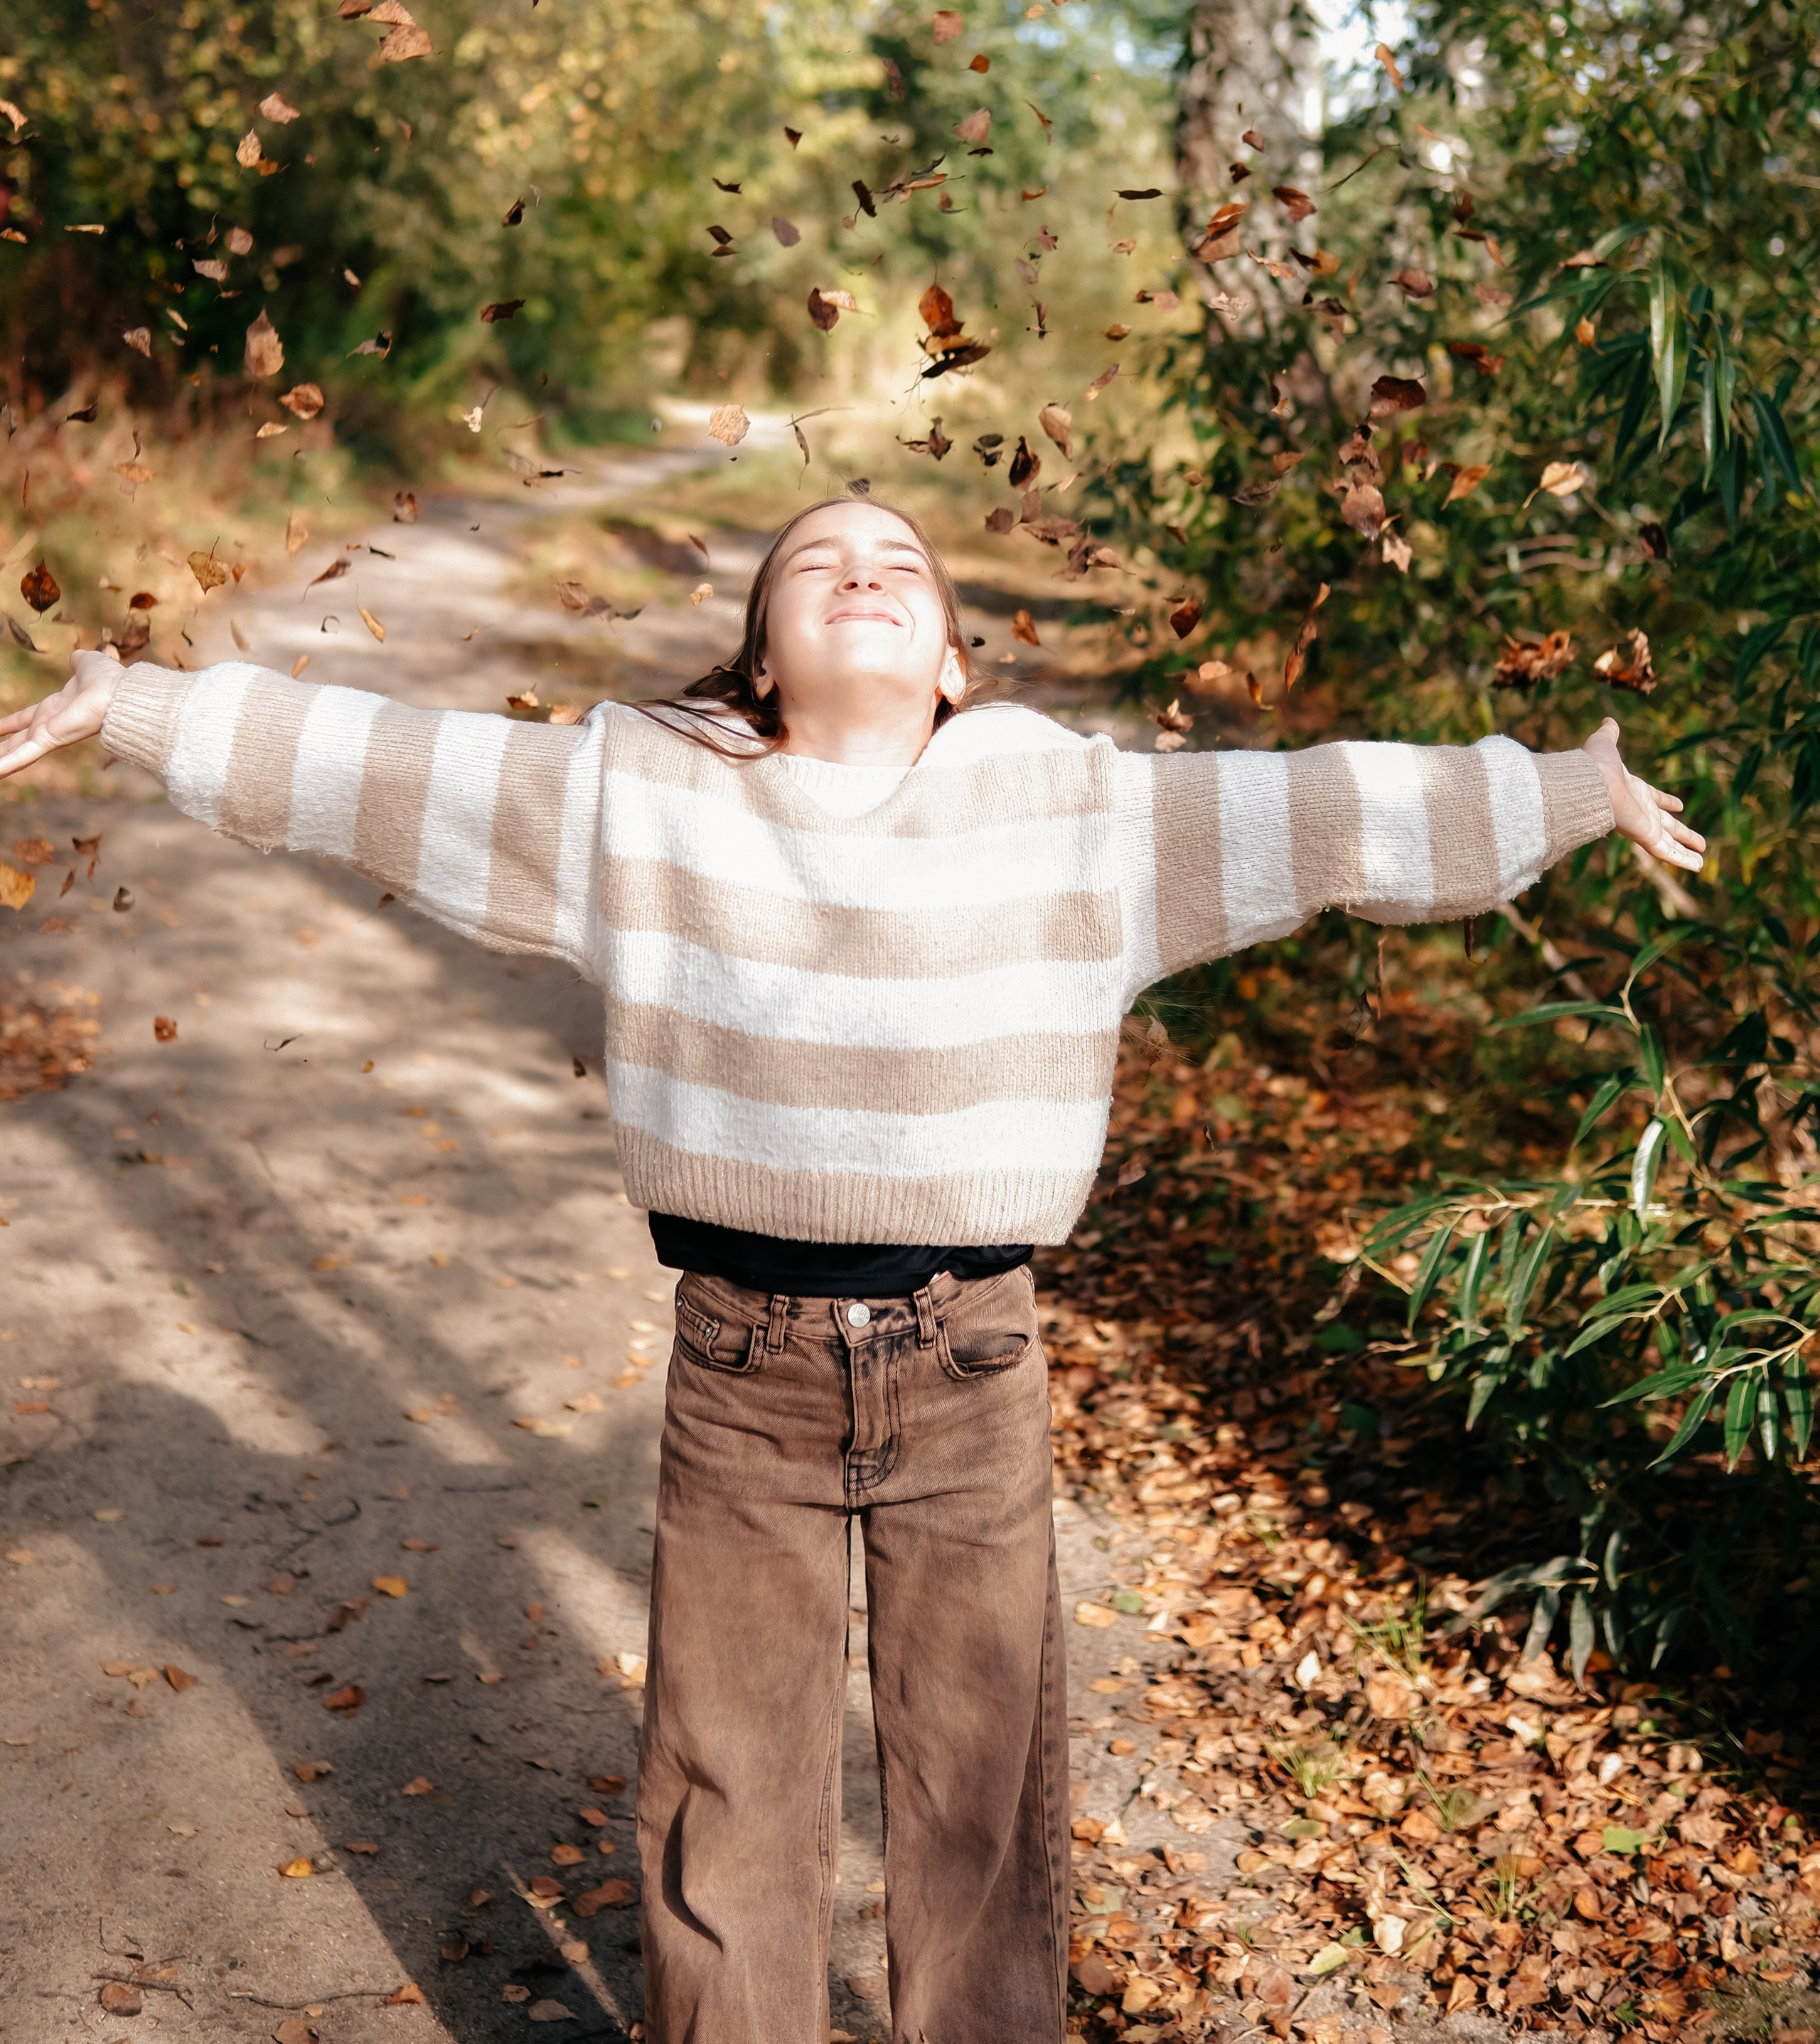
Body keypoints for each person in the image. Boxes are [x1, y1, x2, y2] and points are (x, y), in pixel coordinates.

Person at [0, 495, 1703, 2043]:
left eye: (900, 561)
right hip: (741, 1372)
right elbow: (393, 768)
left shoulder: (1074, 810)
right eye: (815, 561)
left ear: (953, 660)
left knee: (978, 1790)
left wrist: (1562, 790)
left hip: (972, 1365)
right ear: (760, 657)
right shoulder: (641, 795)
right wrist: (140, 707)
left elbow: (1325, 811)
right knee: (726, 1784)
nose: (861, 571)